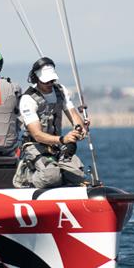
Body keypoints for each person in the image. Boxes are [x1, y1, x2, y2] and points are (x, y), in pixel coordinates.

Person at [13, 57, 88, 188]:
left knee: (78, 175)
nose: (50, 84)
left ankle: (59, 176)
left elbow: (73, 115)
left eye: (52, 80)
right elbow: (37, 134)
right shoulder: (28, 99)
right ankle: (26, 176)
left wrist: (81, 128)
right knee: (51, 177)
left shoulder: (61, 91)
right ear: (36, 79)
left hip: (56, 146)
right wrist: (63, 139)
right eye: (46, 81)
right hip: (35, 146)